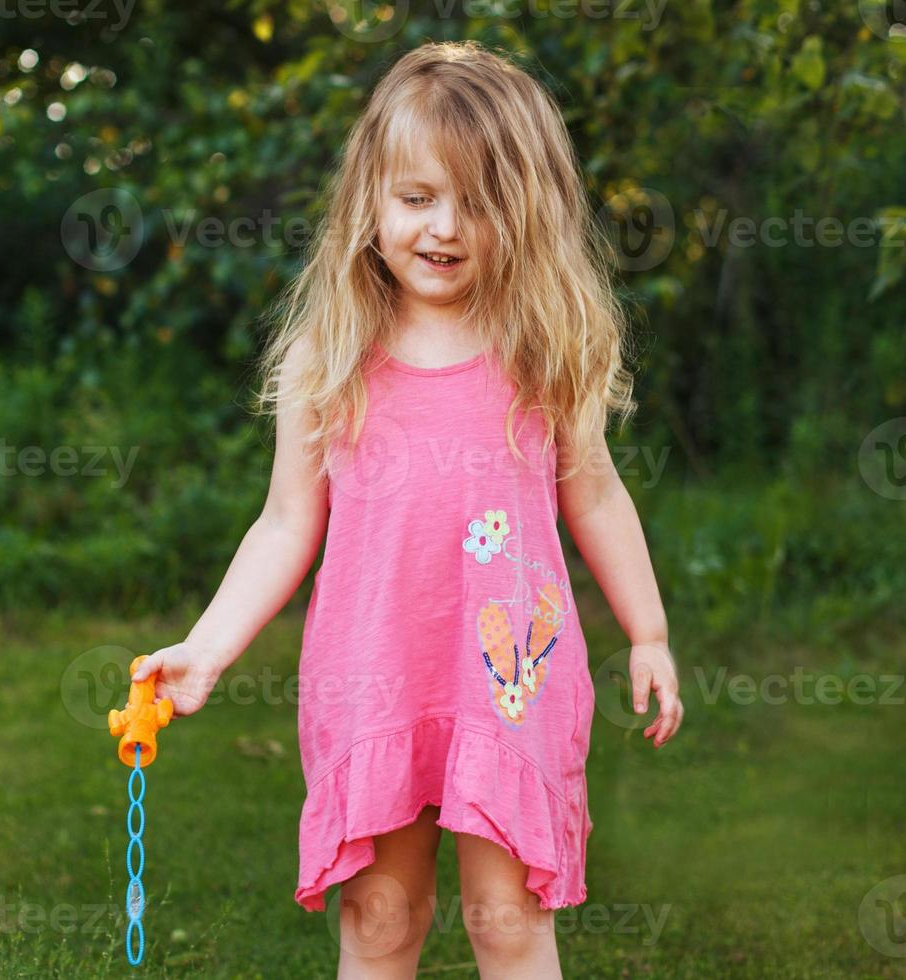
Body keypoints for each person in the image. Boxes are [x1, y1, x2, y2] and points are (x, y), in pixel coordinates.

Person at [129, 40, 683, 979]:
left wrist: (650, 633)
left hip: (509, 683)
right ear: (369, 201)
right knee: (381, 920)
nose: (444, 227)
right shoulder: (330, 355)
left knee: (509, 922)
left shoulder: (544, 347)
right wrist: (208, 647)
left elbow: (594, 492)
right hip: (373, 673)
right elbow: (285, 523)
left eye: (478, 201)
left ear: (527, 209)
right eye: (417, 197)